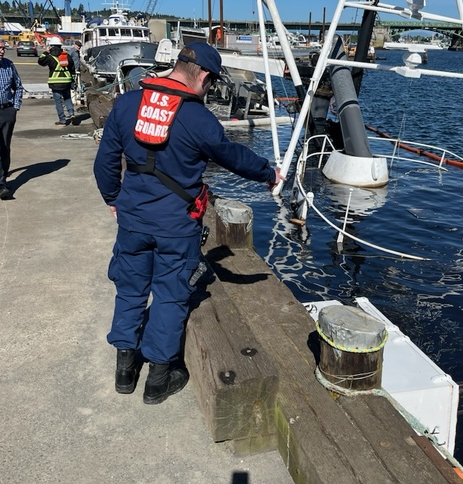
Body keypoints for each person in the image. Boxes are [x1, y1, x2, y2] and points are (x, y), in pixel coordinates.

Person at [93, 42, 283, 405]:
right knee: (170, 296)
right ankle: (159, 379)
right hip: (177, 227)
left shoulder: (128, 103)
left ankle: (124, 371)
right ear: (205, 77)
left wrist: (113, 199)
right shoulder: (199, 119)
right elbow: (233, 157)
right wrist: (268, 173)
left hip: (132, 220)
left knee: (130, 290)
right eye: (211, 85)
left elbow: (104, 163)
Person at [0, 38, 23, 200]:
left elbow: (18, 86)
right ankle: (0, 184)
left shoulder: (8, 65)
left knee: (5, 146)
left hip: (6, 112)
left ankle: (2, 176)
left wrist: (15, 107)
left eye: (3, 48)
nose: (2, 51)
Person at [38, 37, 76, 126]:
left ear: (51, 46)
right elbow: (72, 68)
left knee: (58, 102)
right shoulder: (66, 55)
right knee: (67, 99)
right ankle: (72, 114)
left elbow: (40, 61)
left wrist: (45, 52)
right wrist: (72, 80)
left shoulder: (49, 57)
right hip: (66, 82)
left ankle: (62, 120)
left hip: (55, 83)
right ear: (60, 46)